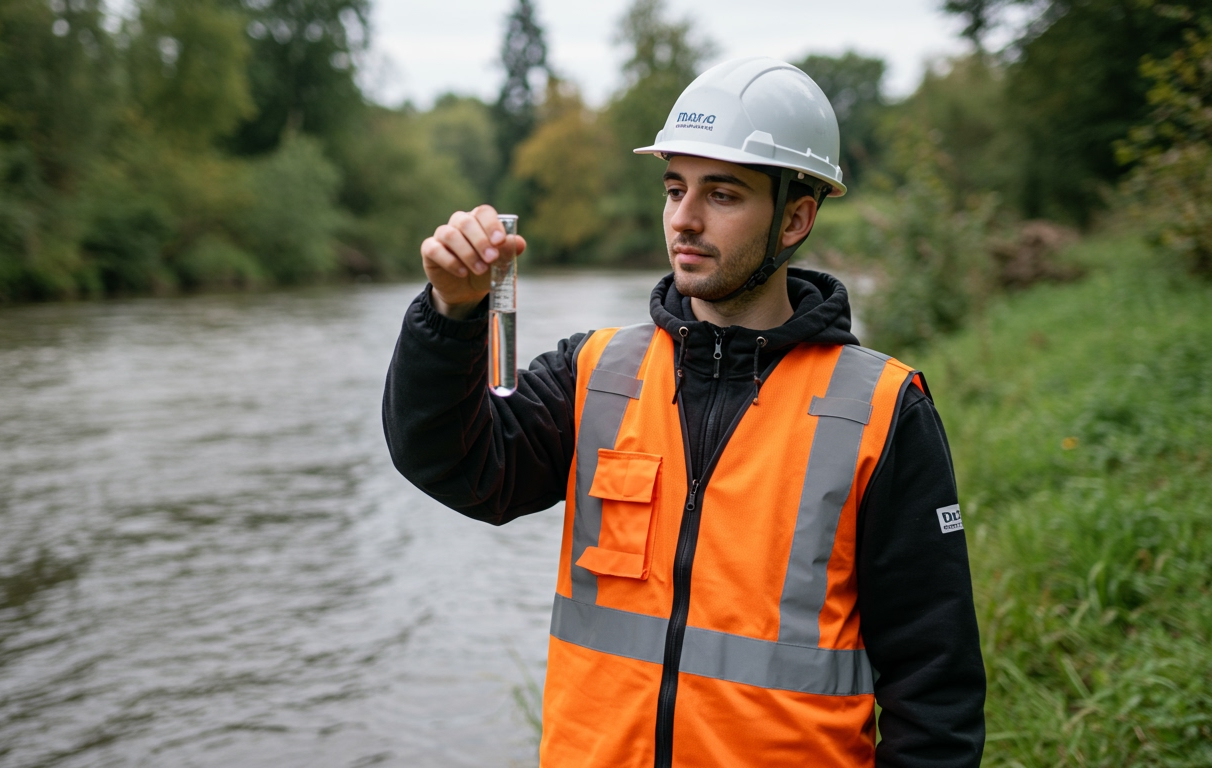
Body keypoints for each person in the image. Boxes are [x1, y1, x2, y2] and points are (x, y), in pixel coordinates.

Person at [382, 57, 984, 768]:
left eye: (722, 194)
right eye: (674, 189)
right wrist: (453, 314)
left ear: (796, 217)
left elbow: (935, 693)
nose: (685, 219)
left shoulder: (883, 409)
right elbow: (456, 464)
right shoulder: (595, 374)